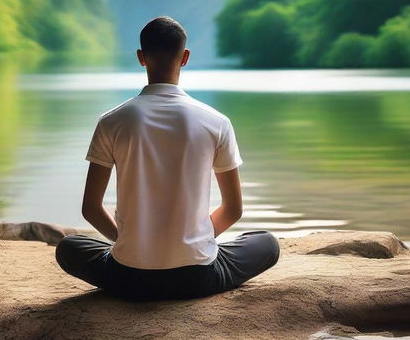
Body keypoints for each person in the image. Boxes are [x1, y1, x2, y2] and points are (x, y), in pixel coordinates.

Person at [55, 16, 280, 301]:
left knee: (68, 247)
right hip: (198, 278)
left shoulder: (112, 121)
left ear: (141, 57)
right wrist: (197, 238)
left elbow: (91, 208)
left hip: (127, 277)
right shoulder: (216, 122)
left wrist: (127, 241)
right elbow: (233, 209)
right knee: (267, 244)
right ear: (185, 57)